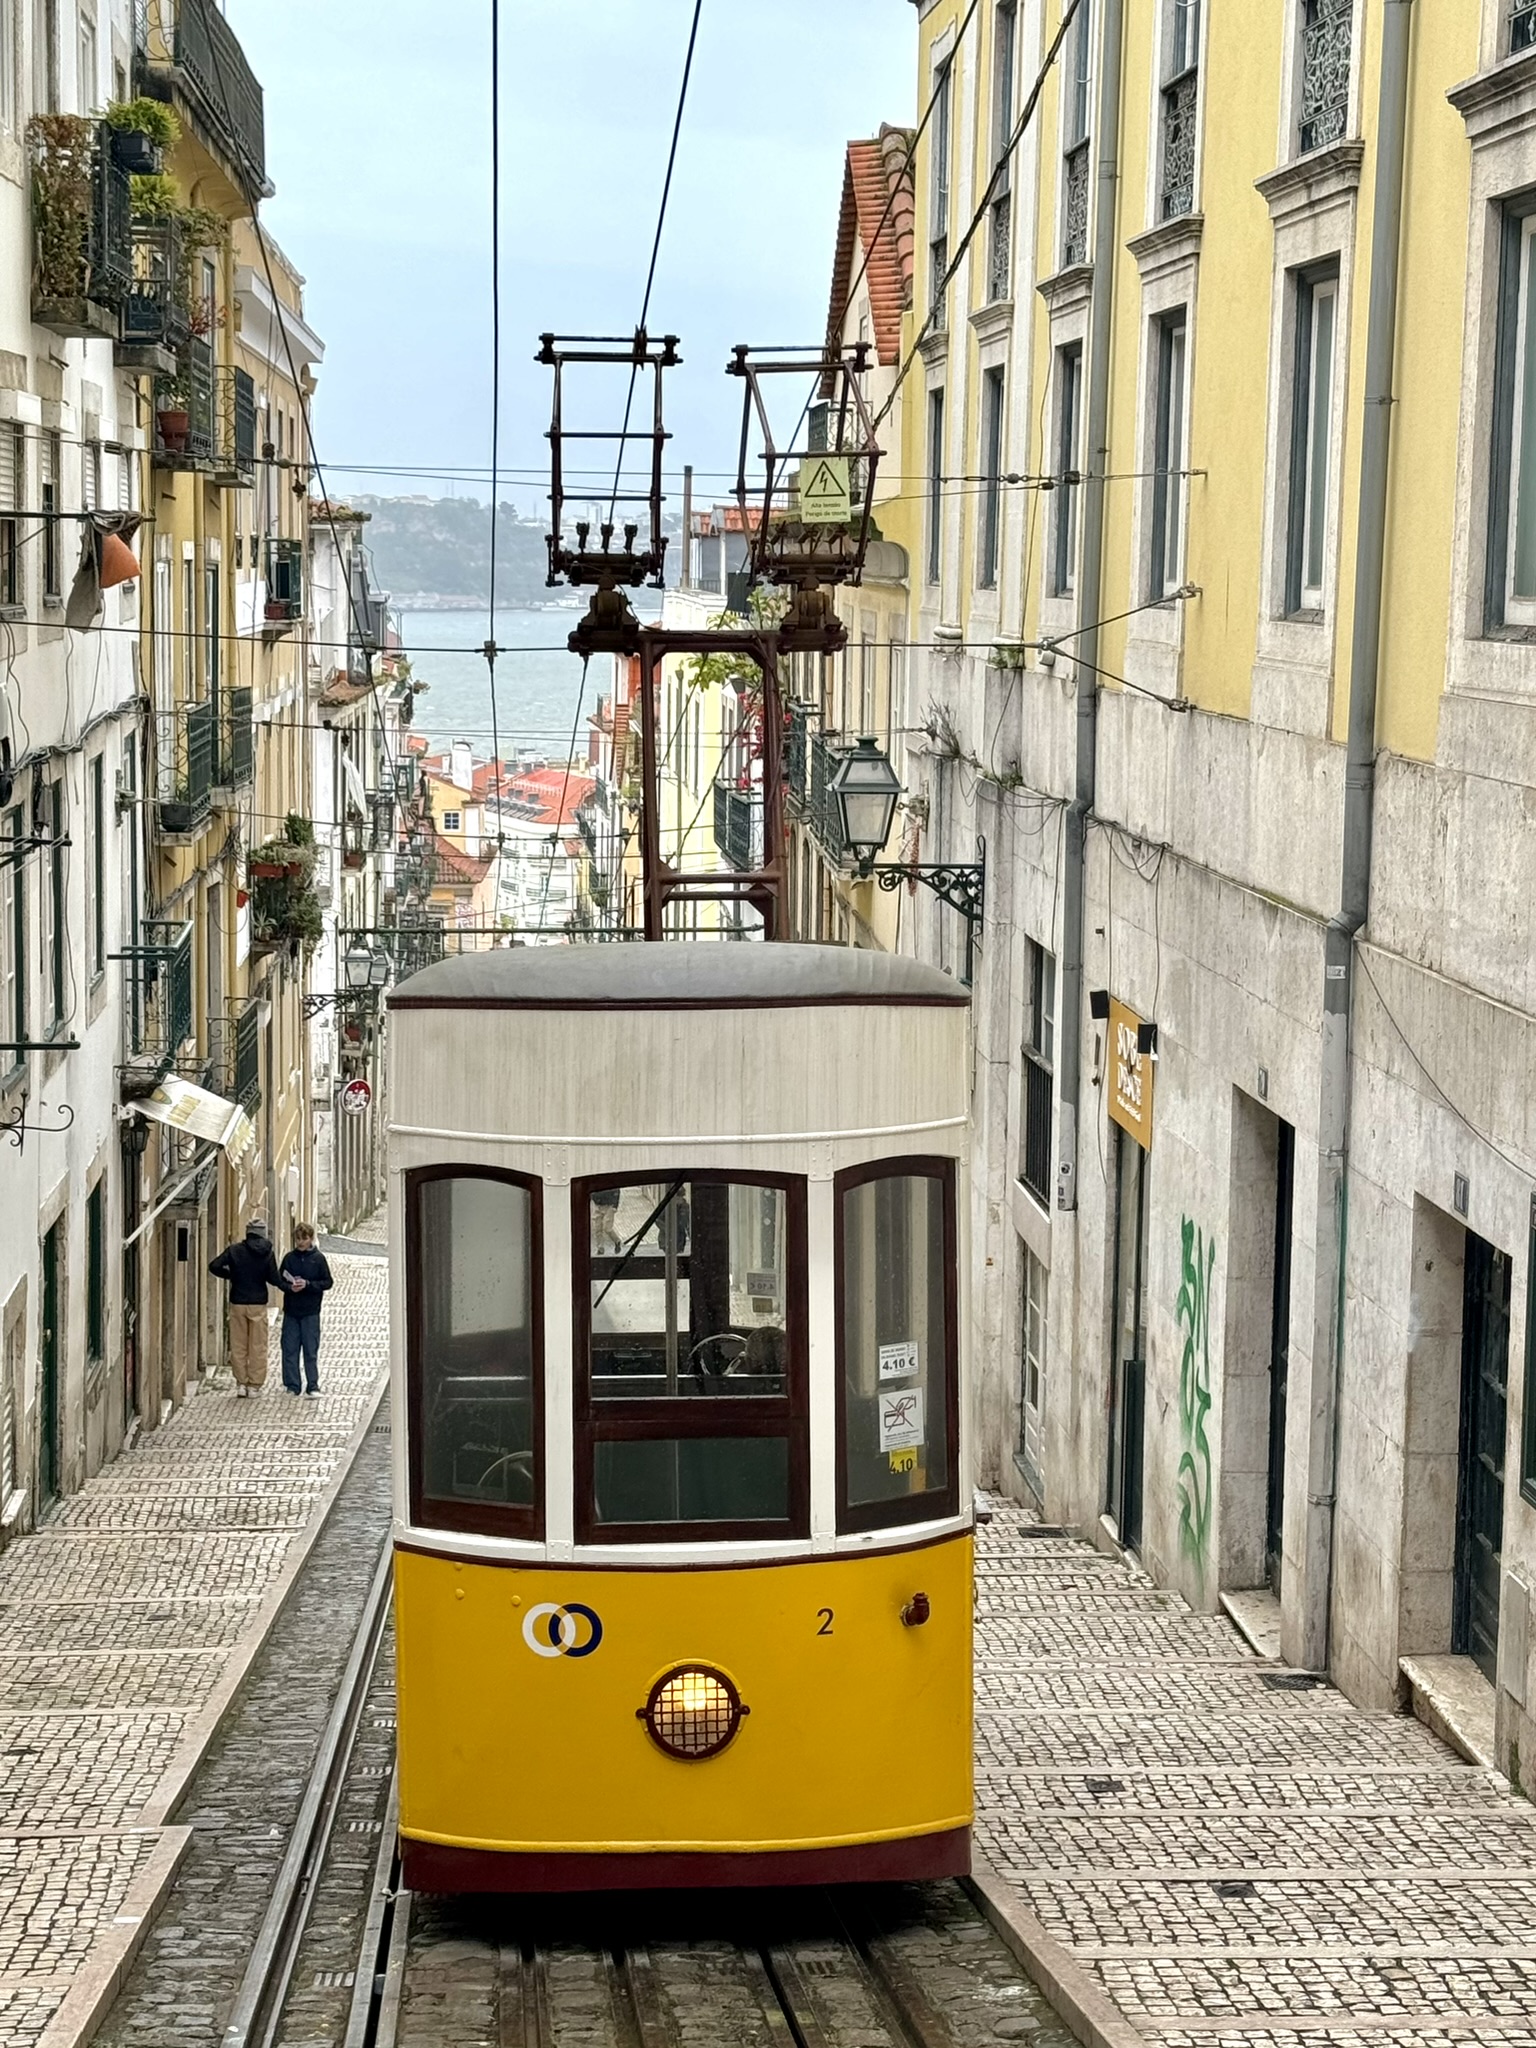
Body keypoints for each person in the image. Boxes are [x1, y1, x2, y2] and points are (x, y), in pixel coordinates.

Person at [208, 1219, 283, 1397]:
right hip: (257, 1304)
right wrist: (287, 1286)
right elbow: (274, 1278)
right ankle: (254, 1385)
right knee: (258, 1346)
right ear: (263, 1233)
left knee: (238, 1345)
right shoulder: (267, 1252)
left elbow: (214, 1266)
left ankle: (241, 1383)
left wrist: (231, 1275)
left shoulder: (234, 1250)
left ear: (248, 1232)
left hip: (238, 1302)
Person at [278, 1223, 334, 1397]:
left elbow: (328, 1282)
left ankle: (312, 1385)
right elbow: (280, 1280)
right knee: (289, 1349)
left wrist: (308, 1285)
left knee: (310, 1350)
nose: (301, 1242)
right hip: (291, 1311)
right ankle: (292, 1385)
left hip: (311, 1312)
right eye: (298, 1239)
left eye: (304, 1238)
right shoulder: (289, 1258)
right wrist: (289, 1287)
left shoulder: (318, 1259)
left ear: (310, 1239)